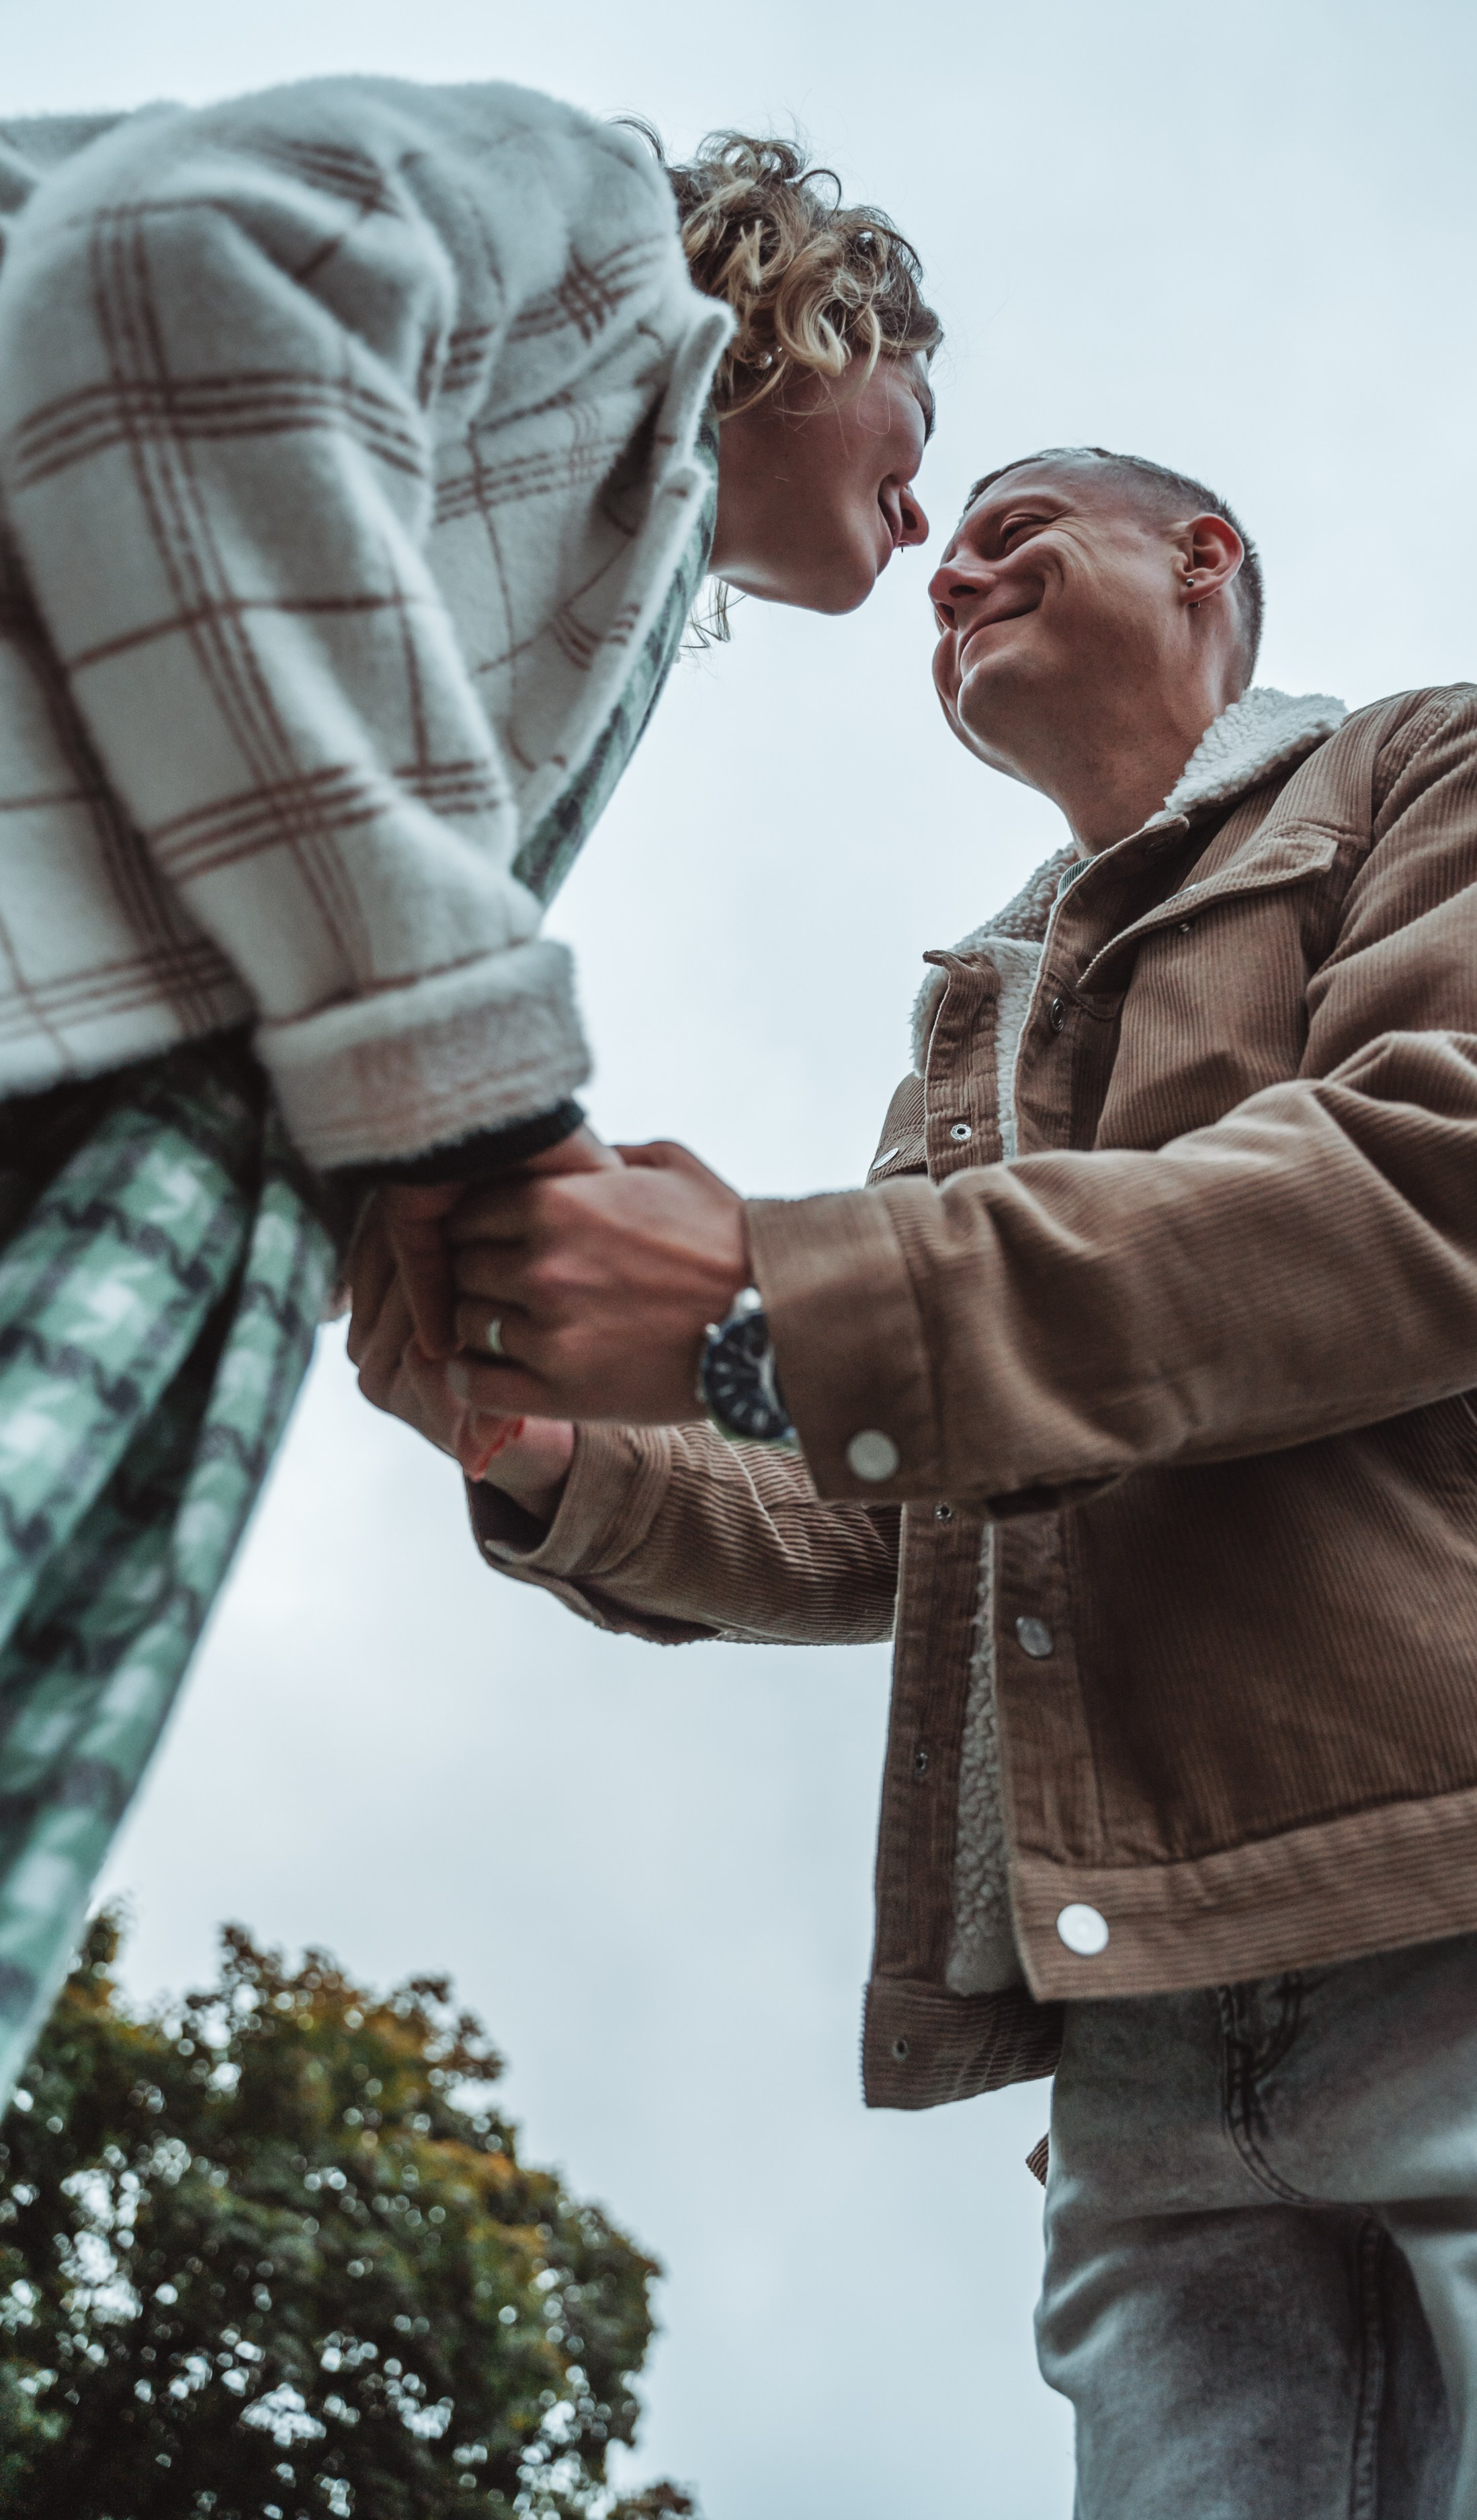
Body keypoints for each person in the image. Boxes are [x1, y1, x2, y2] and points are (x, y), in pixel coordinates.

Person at [366, 444, 1477, 2513]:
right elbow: (892, 1504)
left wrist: (763, 1284)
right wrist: (547, 1445)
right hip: (1140, 2031)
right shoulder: (966, 1023)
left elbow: (1450, 1193)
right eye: (942, 549)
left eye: (1008, 527)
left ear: (1202, 560)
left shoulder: (1445, 762)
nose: (943, 571)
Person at [0, 79, 938, 2093]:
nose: (925, 517)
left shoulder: (585, 550)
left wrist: (460, 1236)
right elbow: (165, 275)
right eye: (919, 438)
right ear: (814, 309)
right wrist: (481, 1098)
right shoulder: (594, 219)